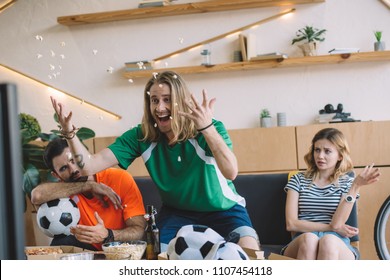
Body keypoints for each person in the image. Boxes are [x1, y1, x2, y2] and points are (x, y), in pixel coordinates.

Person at [50, 70, 260, 251]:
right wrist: (70, 134)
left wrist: (206, 128)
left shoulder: (209, 128)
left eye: (167, 99)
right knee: (157, 256)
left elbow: (231, 172)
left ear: (180, 101)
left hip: (225, 209)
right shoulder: (142, 136)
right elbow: (89, 165)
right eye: (154, 100)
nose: (159, 108)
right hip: (178, 213)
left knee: (249, 251)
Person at [31, 138, 146, 251]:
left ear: (85, 156)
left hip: (119, 249)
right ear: (56, 175)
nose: (73, 170)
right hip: (85, 250)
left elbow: (139, 231)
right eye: (64, 168)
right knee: (61, 242)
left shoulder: (120, 178)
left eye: (74, 160)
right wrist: (89, 185)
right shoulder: (62, 190)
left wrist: (108, 235)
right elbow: (36, 196)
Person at [282, 127, 381, 259]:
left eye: (327, 151)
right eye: (317, 150)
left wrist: (355, 186)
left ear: (340, 155)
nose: (320, 156)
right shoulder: (298, 180)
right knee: (310, 240)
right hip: (302, 239)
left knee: (328, 241)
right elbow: (291, 224)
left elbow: (337, 223)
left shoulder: (348, 183)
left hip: (337, 242)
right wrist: (331, 228)